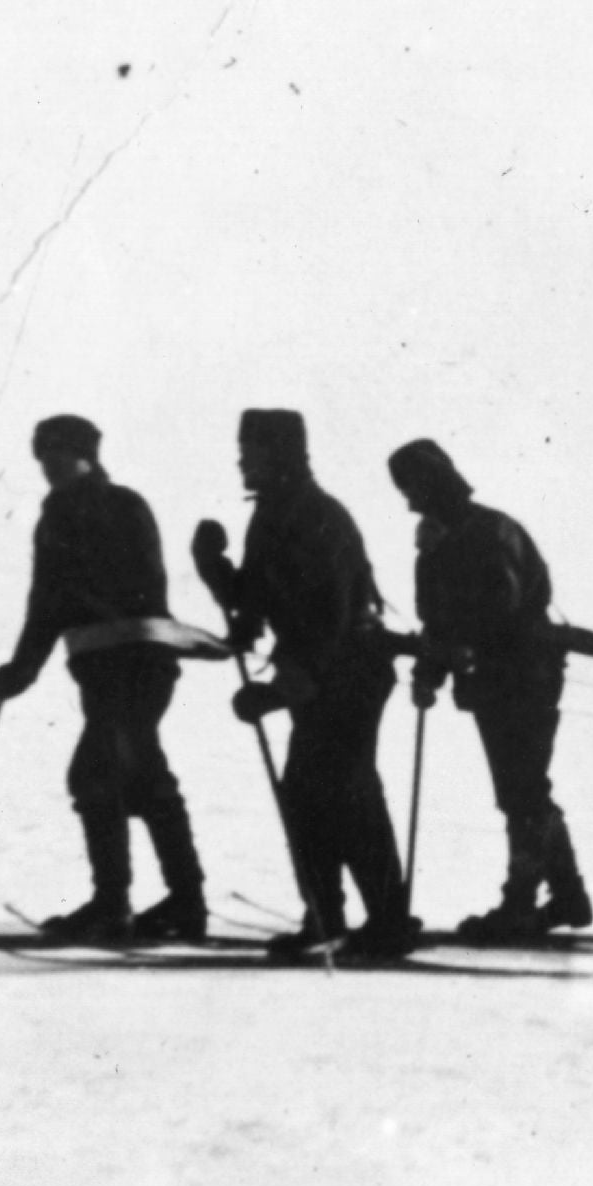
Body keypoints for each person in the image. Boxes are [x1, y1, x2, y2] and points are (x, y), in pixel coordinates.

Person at [192, 409, 417, 961]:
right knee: (319, 796)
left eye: (253, 450)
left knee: (342, 794)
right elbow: (253, 606)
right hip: (328, 673)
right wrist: (212, 566)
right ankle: (336, 915)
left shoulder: (314, 514)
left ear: (281, 454)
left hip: (348, 670)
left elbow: (331, 615)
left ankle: (374, 919)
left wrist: (281, 690)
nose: (243, 460)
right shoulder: (275, 514)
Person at [0, 414, 209, 942]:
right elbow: (52, 601)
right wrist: (25, 665)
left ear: (87, 455)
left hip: (125, 665)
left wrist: (25, 666)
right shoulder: (107, 506)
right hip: (132, 665)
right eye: (43, 457)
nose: (49, 466)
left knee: (97, 775)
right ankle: (182, 901)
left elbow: (53, 600)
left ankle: (120, 905)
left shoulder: (82, 511)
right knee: (139, 774)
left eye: (59, 455)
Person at [387, 438, 593, 945]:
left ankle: (522, 904)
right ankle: (565, 896)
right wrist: (430, 672)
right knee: (523, 788)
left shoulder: (486, 533)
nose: (408, 501)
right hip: (496, 680)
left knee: (522, 790)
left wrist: (452, 653)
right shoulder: (441, 541)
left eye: (411, 488)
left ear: (432, 484)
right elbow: (437, 621)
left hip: (523, 675)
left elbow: (500, 609)